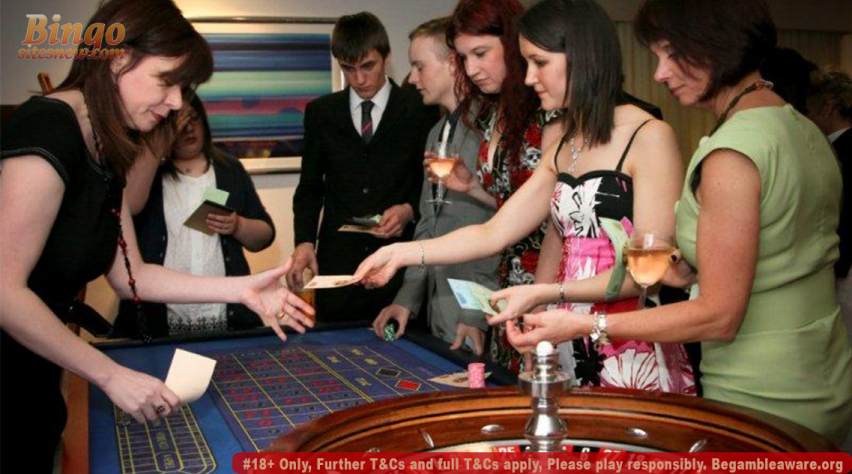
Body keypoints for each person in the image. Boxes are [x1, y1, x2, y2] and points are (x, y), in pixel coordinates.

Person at [491, 0, 850, 444]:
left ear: (717, 46)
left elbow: (720, 315)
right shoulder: (802, 127)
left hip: (759, 389)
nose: (659, 73)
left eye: (670, 54)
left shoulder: (731, 153)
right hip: (827, 373)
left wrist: (587, 325)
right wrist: (688, 270)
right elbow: (784, 252)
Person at [0, 0, 313, 471]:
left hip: (36, 374)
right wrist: (110, 374)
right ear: (118, 59)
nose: (177, 103)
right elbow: (4, 291)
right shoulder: (48, 128)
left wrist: (243, 289)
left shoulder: (105, 145)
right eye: (168, 82)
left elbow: (133, 277)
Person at [356, 0, 695, 394]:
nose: (529, 77)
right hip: (565, 334)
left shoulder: (649, 135)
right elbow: (493, 232)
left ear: (581, 56)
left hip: (626, 342)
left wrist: (544, 295)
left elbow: (645, 276)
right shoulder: (565, 144)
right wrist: (399, 254)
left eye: (540, 63)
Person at [435, 0, 564, 373]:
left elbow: (557, 219)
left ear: (511, 43)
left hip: (549, 289)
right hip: (508, 285)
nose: (471, 69)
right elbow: (514, 210)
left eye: (480, 53)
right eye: (463, 58)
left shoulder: (551, 111)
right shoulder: (494, 110)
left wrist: (538, 309)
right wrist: (475, 189)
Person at [287, 12, 435, 322]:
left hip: (398, 270)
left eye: (368, 66)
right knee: (334, 348)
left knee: (399, 348)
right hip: (338, 271)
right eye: (348, 68)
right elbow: (310, 188)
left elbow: (430, 183)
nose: (359, 79)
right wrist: (304, 242)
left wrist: (408, 209)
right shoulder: (321, 113)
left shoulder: (420, 109)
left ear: (387, 56)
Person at [371, 18, 499, 354]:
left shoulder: (491, 130)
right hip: (441, 307)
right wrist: (407, 300)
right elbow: (428, 224)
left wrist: (475, 312)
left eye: (419, 66)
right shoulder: (436, 133)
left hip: (482, 313)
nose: (412, 78)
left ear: (452, 65)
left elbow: (495, 230)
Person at [114, 91, 276, 338]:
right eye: (179, 121)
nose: (188, 128)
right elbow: (128, 205)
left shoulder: (229, 169)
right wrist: (158, 144)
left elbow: (265, 235)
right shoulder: (146, 172)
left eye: (194, 118)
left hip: (227, 319)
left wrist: (238, 226)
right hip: (157, 323)